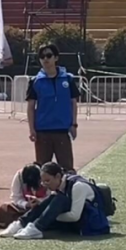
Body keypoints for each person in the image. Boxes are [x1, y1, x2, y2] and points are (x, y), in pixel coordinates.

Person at [1, 162, 110, 240]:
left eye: (47, 181)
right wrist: (43, 208)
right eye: (43, 182)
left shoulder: (78, 186)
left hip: (90, 224)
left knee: (59, 198)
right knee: (53, 198)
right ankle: (21, 223)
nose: (45, 185)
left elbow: (74, 216)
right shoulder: (61, 185)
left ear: (58, 176)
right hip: (73, 223)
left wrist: (50, 215)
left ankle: (36, 228)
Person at [26, 44, 80, 172]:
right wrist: (31, 129)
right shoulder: (35, 81)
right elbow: (31, 107)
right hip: (42, 131)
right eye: (42, 56)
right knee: (43, 169)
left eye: (49, 55)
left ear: (56, 58)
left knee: (67, 169)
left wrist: (74, 124)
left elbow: (73, 103)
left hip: (62, 130)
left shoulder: (68, 79)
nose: (45, 59)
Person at [0, 163, 45, 229]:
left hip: (43, 207)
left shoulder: (46, 177)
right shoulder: (19, 176)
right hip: (23, 208)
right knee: (4, 208)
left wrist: (40, 201)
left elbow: (52, 196)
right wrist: (26, 204)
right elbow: (15, 197)